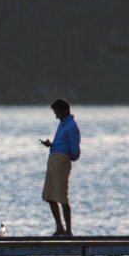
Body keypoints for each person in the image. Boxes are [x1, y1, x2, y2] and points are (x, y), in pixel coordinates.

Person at [39, 98, 81, 237]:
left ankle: (68, 231)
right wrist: (52, 145)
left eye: (57, 112)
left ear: (65, 111)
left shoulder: (71, 126)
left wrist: (65, 156)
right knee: (50, 195)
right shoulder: (63, 124)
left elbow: (75, 151)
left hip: (61, 163)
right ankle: (59, 228)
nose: (56, 115)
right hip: (53, 161)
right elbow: (63, 143)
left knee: (62, 196)